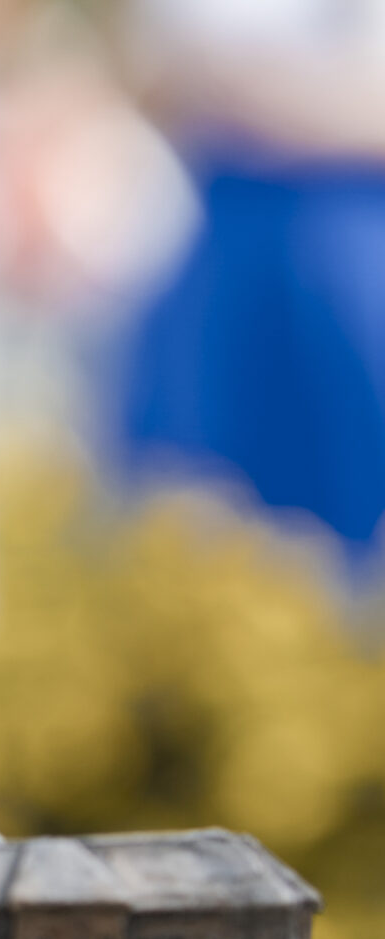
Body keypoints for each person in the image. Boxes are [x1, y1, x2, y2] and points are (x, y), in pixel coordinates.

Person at [118, 0, 385, 581]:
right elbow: (149, 72)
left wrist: (264, 98)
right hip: (221, 228)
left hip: (351, 241)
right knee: (196, 511)